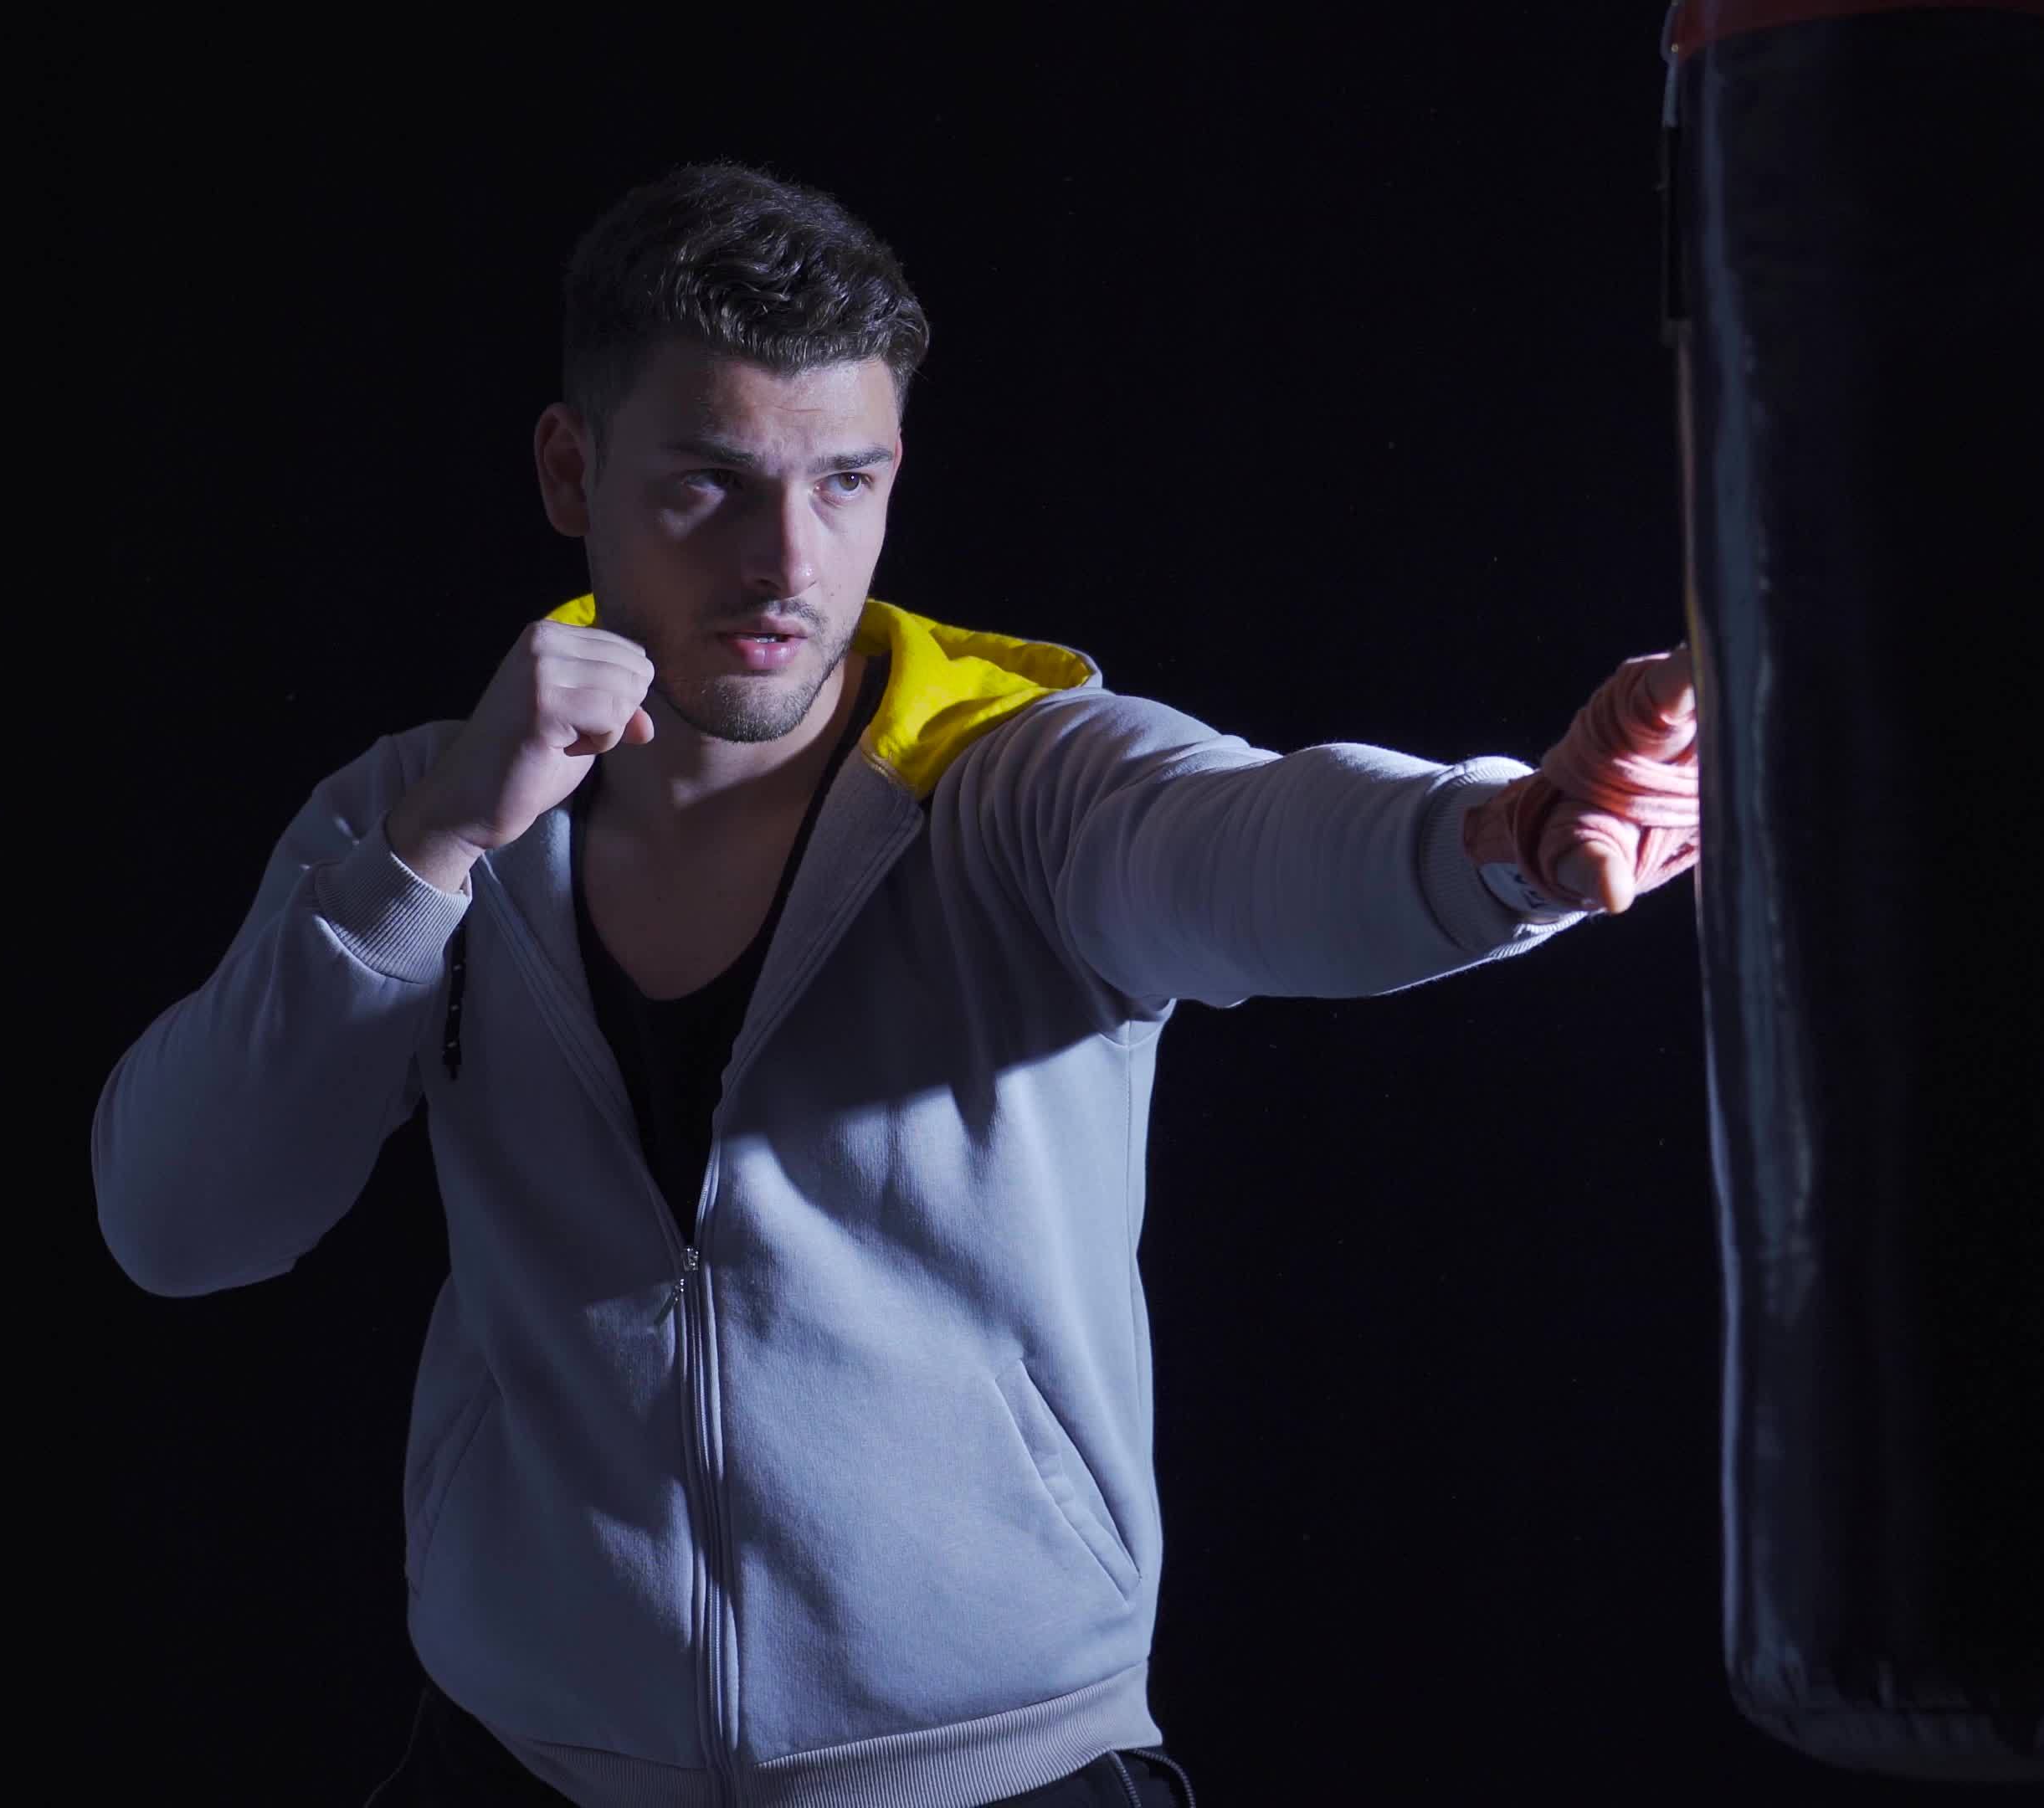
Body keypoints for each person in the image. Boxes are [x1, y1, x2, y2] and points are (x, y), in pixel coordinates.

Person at [93, 161, 1700, 1806]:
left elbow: (1246, 841)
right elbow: (181, 1221)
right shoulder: (414, 813)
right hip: (522, 1765)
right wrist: (430, 857)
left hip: (995, 1771)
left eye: (846, 482)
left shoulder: (1023, 788)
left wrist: (1502, 836)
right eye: (711, 485)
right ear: (572, 472)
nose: (789, 563)